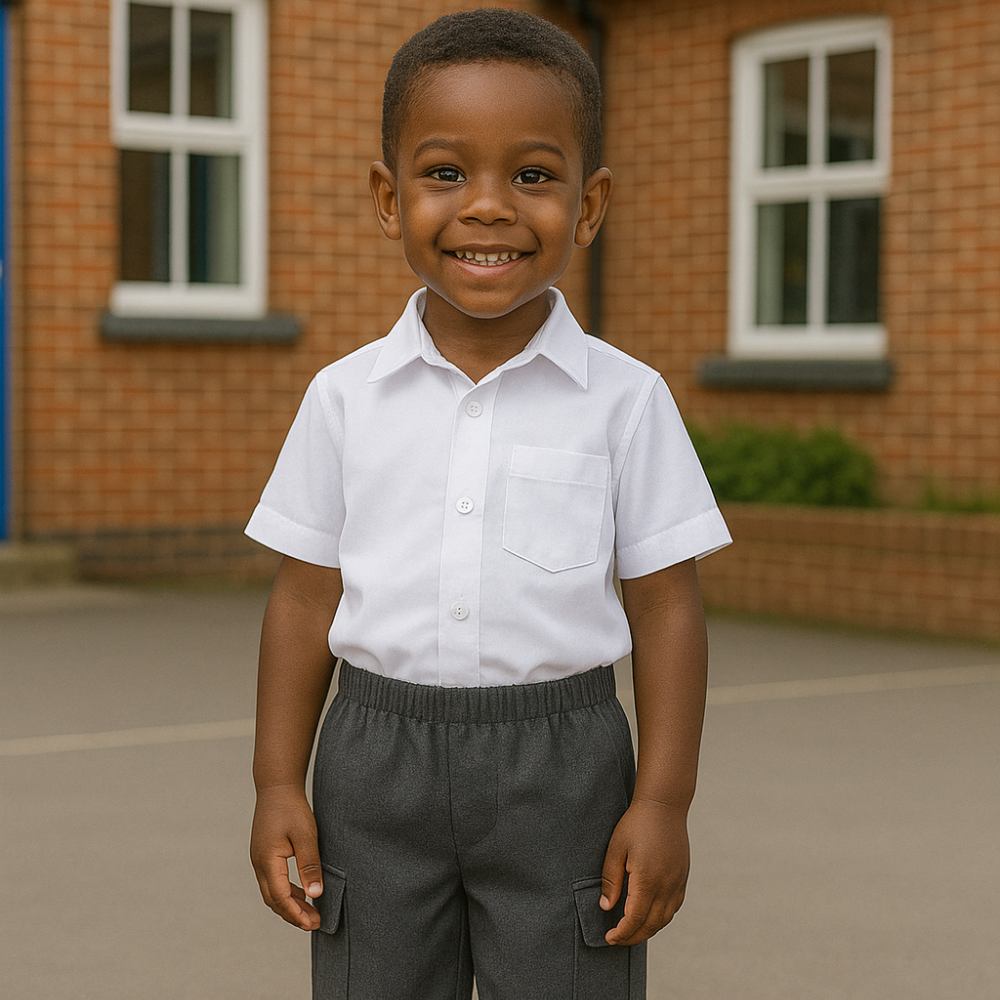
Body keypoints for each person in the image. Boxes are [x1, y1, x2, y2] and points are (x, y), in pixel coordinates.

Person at [245, 8, 733, 999]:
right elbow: (302, 602)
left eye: (533, 175)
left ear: (589, 206)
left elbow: (667, 607)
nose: (488, 207)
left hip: (566, 765)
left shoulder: (625, 399)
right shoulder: (343, 397)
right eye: (445, 173)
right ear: (388, 198)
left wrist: (665, 800)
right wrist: (274, 783)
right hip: (373, 761)